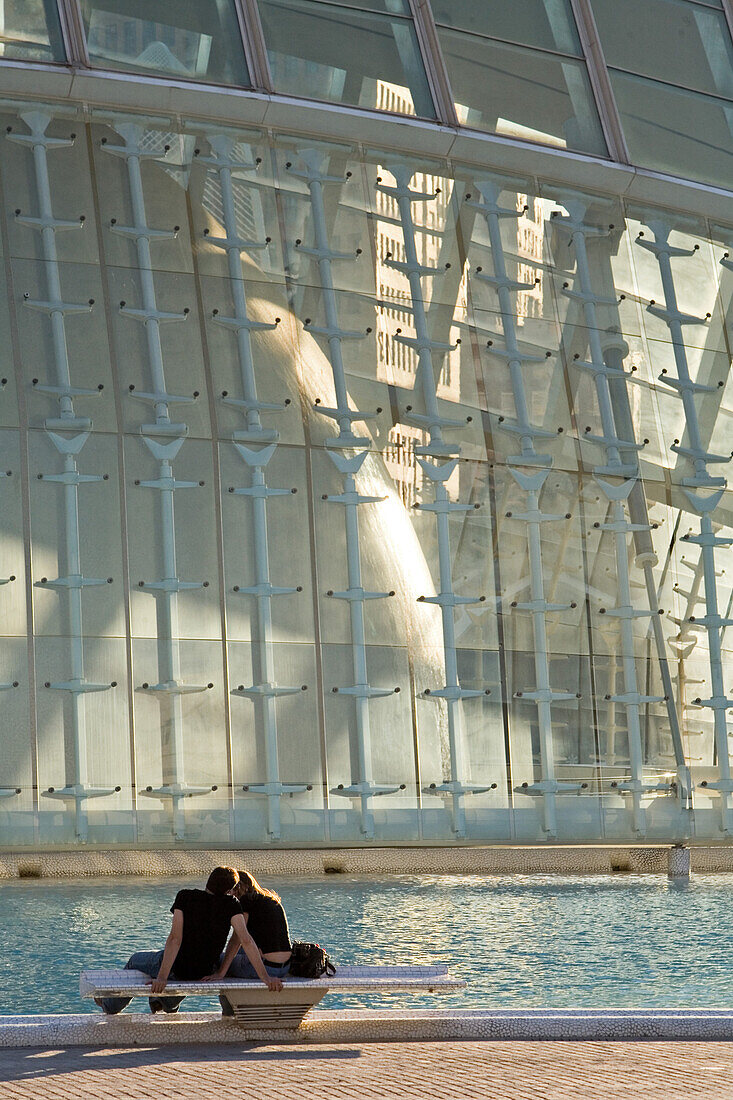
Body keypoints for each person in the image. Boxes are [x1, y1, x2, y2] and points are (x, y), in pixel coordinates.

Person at [96, 866, 283, 1015]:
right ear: (229, 890)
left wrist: (161, 977)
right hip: (206, 970)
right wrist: (265, 978)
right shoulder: (232, 904)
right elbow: (246, 941)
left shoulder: (185, 897)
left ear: (208, 882)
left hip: (179, 968)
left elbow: (175, 939)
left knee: (135, 960)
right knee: (197, 961)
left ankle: (110, 1005)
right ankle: (166, 1003)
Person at [203, 869, 291, 1016]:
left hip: (269, 967)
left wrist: (221, 973)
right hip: (285, 966)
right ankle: (234, 1007)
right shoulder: (270, 900)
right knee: (237, 954)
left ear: (237, 887)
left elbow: (236, 940)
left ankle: (229, 1010)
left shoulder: (245, 902)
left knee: (218, 961)